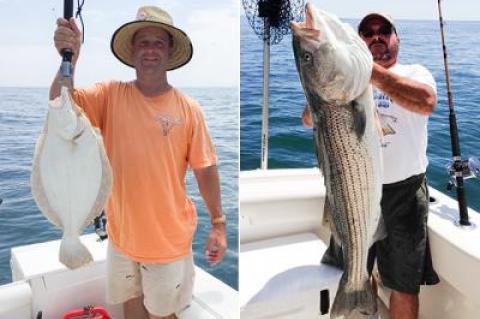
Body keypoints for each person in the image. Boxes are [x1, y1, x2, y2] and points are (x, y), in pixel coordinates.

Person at [51, 6, 227, 319]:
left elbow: (206, 170)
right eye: (143, 42)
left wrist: (218, 225)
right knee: (131, 307)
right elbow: (59, 108)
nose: (150, 50)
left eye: (158, 43)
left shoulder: (189, 110)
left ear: (170, 50)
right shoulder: (109, 95)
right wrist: (70, 58)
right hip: (121, 238)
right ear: (132, 50)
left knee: (163, 314)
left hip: (167, 242)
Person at [302, 13, 440, 319]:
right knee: (359, 269)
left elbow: (427, 101)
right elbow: (309, 118)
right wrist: (330, 87)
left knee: (404, 285)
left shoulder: (414, 73)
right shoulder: (348, 81)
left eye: (383, 31)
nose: (376, 37)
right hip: (353, 189)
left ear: (396, 39)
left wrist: (368, 72)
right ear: (360, 42)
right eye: (367, 33)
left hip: (403, 195)